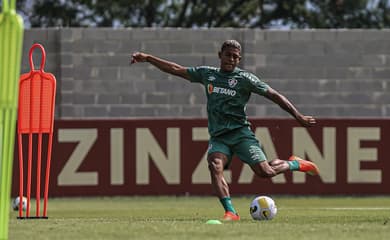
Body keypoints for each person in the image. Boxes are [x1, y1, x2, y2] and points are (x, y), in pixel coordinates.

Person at [130, 40, 319, 221]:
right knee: (215, 166)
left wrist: (298, 116)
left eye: (236, 57)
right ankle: (231, 212)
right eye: (228, 55)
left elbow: (274, 95)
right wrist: (147, 58)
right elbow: (176, 69)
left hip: (241, 134)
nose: (231, 59)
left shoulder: (244, 79)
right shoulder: (207, 74)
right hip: (219, 136)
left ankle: (295, 163)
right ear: (220, 55)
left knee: (265, 172)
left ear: (239, 59)